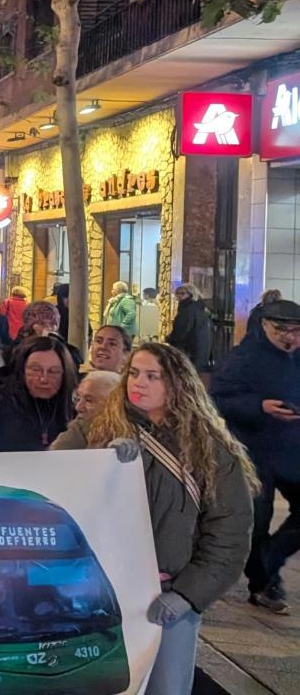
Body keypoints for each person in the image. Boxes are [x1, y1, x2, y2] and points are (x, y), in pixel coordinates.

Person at [51, 343, 254, 694]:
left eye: (152, 376)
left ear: (177, 385)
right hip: (94, 593)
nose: (138, 383)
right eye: (133, 373)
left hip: (167, 594)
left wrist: (188, 596)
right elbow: (51, 478)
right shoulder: (94, 428)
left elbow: (229, 533)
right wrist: (97, 460)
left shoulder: (211, 450)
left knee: (166, 687)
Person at [211, 298, 300, 614]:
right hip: (254, 450)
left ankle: (270, 560)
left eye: (296, 331)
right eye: (283, 330)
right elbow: (218, 400)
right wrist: (259, 406)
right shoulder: (243, 359)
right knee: (258, 519)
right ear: (264, 326)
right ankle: (263, 583)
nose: (290, 338)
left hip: (292, 450)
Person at [0, 335, 77, 452]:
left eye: (53, 372)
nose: (43, 379)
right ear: (22, 370)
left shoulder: (74, 403)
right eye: (35, 370)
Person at [166, 284, 212, 372]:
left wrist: (170, 339)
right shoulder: (200, 309)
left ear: (190, 294)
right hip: (200, 351)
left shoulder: (187, 310)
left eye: (182, 293)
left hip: (188, 351)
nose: (179, 296)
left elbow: (181, 331)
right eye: (177, 293)